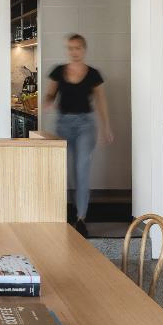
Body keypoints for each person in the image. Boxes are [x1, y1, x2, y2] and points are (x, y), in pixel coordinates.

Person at [42, 34, 113, 237]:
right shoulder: (58, 71)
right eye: (70, 48)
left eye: (78, 48)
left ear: (84, 50)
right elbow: (50, 93)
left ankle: (81, 218)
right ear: (67, 50)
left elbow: (101, 101)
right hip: (63, 125)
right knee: (64, 170)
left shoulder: (93, 74)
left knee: (81, 168)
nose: (74, 52)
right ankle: (61, 215)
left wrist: (106, 127)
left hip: (85, 125)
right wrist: (47, 101)